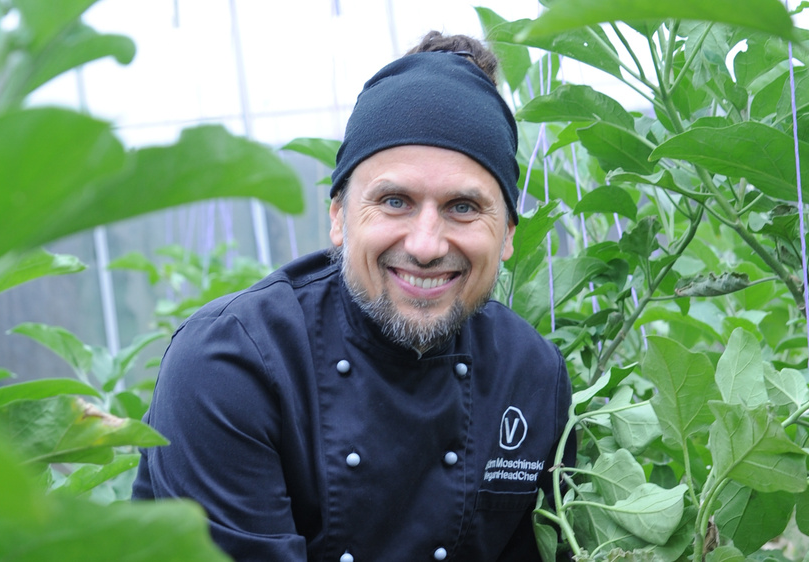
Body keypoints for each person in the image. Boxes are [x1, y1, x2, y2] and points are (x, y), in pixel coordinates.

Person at [132, 31, 574, 562]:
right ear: (339, 215)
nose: (426, 245)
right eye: (394, 201)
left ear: (506, 234)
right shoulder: (230, 363)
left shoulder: (532, 373)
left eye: (463, 207)